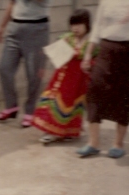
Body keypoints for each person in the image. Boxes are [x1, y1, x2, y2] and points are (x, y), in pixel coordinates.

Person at [32, 9, 97, 143]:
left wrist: (89, 64)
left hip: (79, 80)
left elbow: (95, 60)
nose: (75, 28)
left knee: (73, 104)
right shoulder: (67, 38)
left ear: (87, 25)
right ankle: (50, 131)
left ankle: (68, 131)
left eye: (79, 25)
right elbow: (55, 55)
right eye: (73, 25)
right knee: (56, 102)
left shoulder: (91, 43)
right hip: (62, 78)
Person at [77, 0, 129, 158]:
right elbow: (96, 30)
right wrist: (87, 55)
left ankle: (118, 144)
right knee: (94, 91)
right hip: (106, 50)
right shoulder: (105, 2)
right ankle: (93, 143)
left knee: (123, 96)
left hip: (127, 52)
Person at [0, 0, 51, 128]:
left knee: (33, 73)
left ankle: (30, 111)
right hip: (14, 28)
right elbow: (12, 3)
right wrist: (2, 26)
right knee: (4, 68)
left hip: (37, 29)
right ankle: (11, 106)